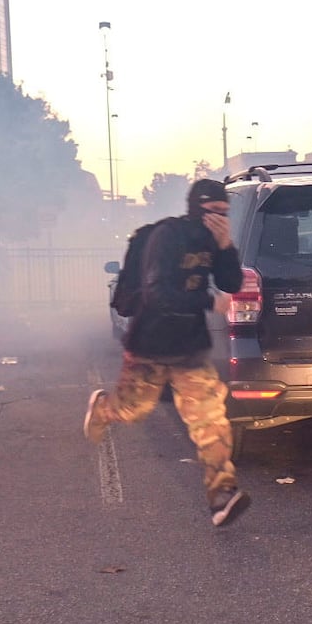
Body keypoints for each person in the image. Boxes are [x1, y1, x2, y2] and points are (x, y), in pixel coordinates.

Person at [83, 179, 249, 527]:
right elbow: (157, 294)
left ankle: (223, 493)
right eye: (213, 212)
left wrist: (226, 245)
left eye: (225, 213)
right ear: (197, 209)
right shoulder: (167, 237)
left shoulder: (214, 241)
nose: (219, 217)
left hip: (189, 346)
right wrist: (207, 300)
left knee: (209, 419)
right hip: (151, 342)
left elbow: (232, 284)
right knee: (132, 409)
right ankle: (103, 408)